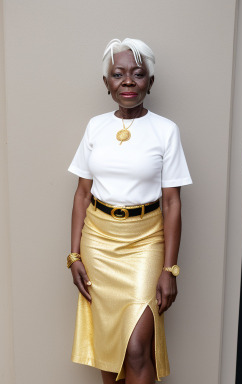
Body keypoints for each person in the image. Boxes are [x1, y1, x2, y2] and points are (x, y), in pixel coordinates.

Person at [67, 38, 192, 384]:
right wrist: (74, 254)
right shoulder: (95, 127)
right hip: (98, 241)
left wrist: (170, 268)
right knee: (110, 345)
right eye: (118, 74)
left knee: (137, 347)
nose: (127, 81)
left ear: (150, 82)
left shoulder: (166, 131)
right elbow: (81, 194)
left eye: (138, 74)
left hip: (145, 241)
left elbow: (172, 202)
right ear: (106, 83)